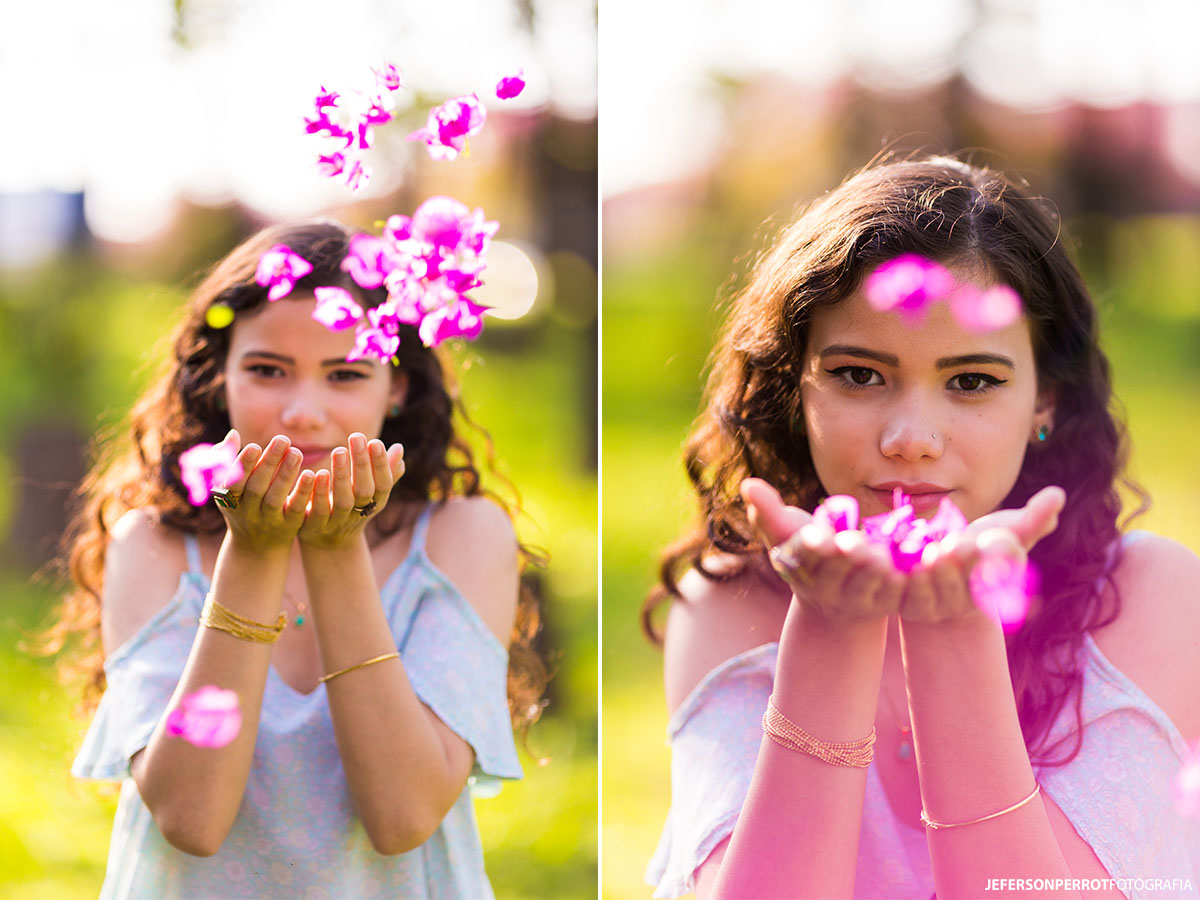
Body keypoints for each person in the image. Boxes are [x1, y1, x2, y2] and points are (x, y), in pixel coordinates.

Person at [643, 155, 1200, 899]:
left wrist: (953, 630)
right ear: (794, 383)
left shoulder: (1149, 598)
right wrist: (831, 633)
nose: (911, 437)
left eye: (971, 382)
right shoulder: (729, 605)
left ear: (1046, 402)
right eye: (859, 375)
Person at [52, 220, 547, 899]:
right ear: (218, 374)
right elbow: (190, 818)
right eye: (266, 370)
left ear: (396, 385)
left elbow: (403, 815)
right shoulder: (154, 545)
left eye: (345, 373)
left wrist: (334, 547)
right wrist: (252, 554)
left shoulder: (461, 537)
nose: (302, 411)